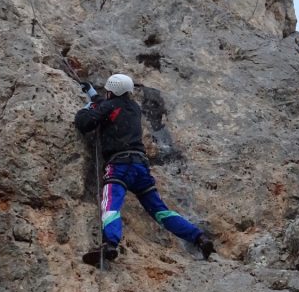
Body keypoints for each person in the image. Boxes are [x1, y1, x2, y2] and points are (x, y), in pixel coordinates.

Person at [74, 73, 215, 264]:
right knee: (160, 211)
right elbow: (111, 107)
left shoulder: (109, 106)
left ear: (111, 92)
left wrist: (87, 108)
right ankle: (200, 238)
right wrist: (93, 94)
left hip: (119, 167)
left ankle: (110, 244)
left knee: (111, 205)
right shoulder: (133, 108)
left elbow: (84, 123)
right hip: (140, 168)